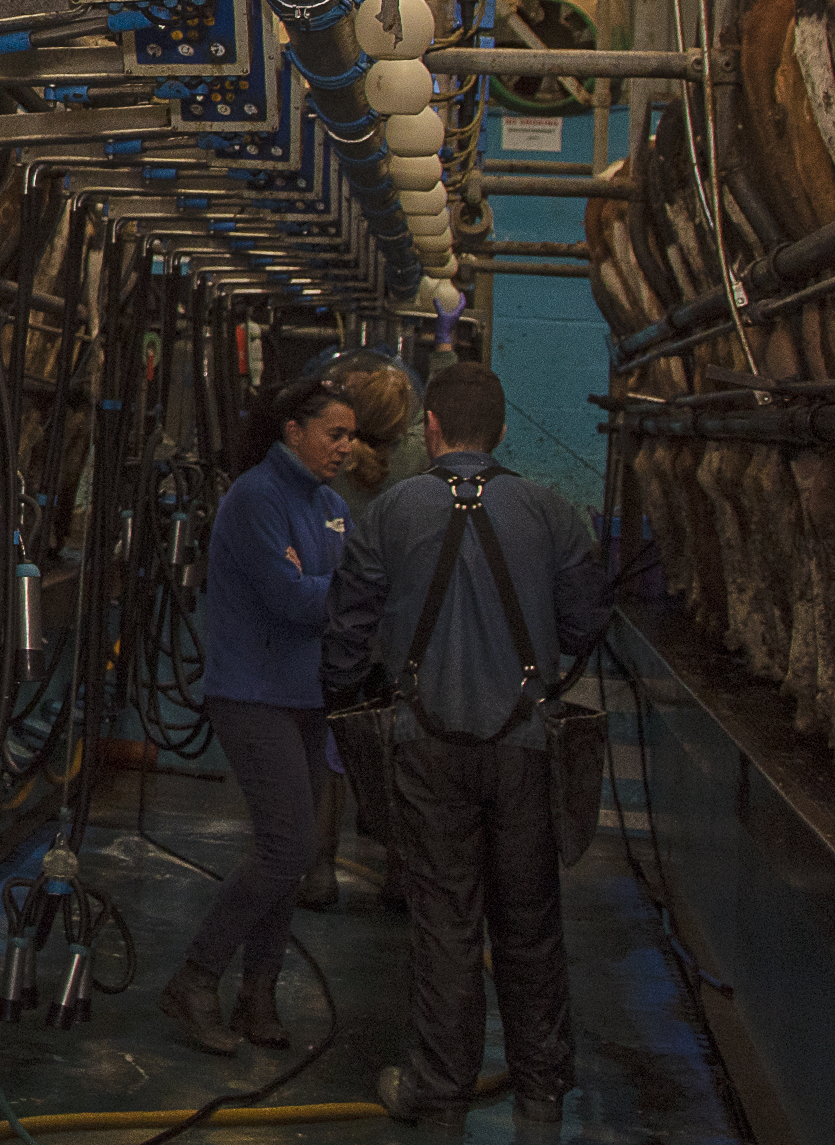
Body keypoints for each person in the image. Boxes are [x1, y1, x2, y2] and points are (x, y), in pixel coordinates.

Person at [323, 360, 611, 1137]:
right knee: (530, 926)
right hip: (525, 749)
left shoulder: (389, 514)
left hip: (424, 750)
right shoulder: (553, 514)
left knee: (444, 927)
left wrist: (347, 697)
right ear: (504, 432)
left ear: (434, 430)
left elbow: (348, 636)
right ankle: (541, 1101)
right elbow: (588, 621)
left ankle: (438, 1093)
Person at [158, 374, 360, 1058]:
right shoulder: (254, 498)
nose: (347, 447)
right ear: (292, 431)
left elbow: (329, 594)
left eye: (352, 435)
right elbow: (290, 599)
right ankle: (196, 976)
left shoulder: (331, 506)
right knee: (289, 846)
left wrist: (327, 588)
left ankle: (257, 993)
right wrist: (338, 591)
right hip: (251, 693)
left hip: (306, 695)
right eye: (335, 433)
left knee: (289, 850)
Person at [297, 355, 422, 910]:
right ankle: (400, 875)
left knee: (329, 759)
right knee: (398, 761)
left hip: (339, 634)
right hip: (400, 642)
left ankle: (320, 874)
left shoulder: (332, 474)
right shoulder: (422, 471)